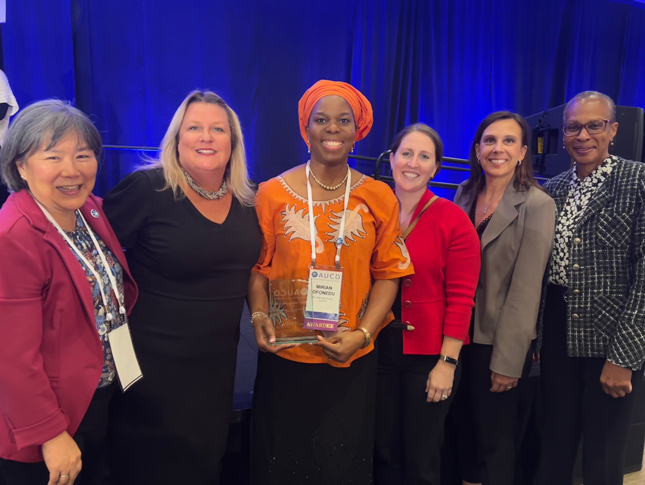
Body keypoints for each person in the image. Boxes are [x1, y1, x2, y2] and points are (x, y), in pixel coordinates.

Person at [248, 80, 414, 484]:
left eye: (344, 120)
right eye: (321, 119)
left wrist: (362, 333)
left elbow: (389, 274)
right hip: (286, 357)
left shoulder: (378, 197)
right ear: (306, 129)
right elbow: (259, 268)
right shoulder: (271, 194)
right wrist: (257, 316)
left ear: (359, 131)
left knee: (339, 466)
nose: (333, 128)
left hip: (350, 358)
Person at [103, 90, 261, 485]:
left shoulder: (250, 199)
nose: (206, 137)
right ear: (177, 138)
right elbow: (94, 263)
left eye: (217, 129)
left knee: (204, 464)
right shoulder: (147, 188)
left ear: (233, 142)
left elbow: (258, 272)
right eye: (194, 127)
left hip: (216, 370)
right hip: (150, 369)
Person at [0, 100, 137, 485]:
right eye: (53, 156)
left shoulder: (89, 211)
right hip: (46, 421)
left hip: (94, 395)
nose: (71, 169)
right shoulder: (13, 237)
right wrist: (49, 432)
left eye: (83, 154)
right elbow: (11, 357)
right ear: (20, 165)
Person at [536, 91, 645, 485]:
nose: (583, 135)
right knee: (555, 444)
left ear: (613, 130)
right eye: (573, 127)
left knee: (602, 455)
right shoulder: (553, 188)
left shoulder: (638, 180)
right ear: (562, 134)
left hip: (611, 337)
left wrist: (626, 356)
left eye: (594, 125)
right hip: (557, 332)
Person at [450, 111, 555, 485]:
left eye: (509, 141)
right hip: (455, 337)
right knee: (460, 438)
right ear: (477, 150)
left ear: (524, 151)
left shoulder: (538, 204)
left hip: (498, 344)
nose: (498, 149)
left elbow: (527, 290)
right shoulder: (463, 194)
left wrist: (509, 362)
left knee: (494, 443)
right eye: (490, 141)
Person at [374, 124, 480, 485]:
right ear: (391, 159)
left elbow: (462, 299)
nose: (413, 163)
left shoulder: (454, 220)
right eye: (406, 153)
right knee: (382, 452)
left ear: (435, 167)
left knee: (421, 457)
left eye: (424, 156)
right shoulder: (369, 211)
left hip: (428, 357)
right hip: (373, 351)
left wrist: (447, 364)